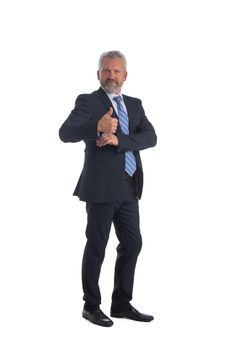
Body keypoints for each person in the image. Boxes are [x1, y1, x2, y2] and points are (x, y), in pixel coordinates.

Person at [59, 51, 157, 327]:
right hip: (100, 189)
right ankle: (91, 306)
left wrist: (119, 139)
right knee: (97, 247)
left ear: (125, 75)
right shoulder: (89, 101)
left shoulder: (135, 105)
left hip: (129, 188)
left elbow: (150, 137)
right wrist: (97, 126)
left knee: (133, 243)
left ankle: (121, 303)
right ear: (98, 74)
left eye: (116, 71)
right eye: (106, 71)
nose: (111, 75)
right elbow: (65, 133)